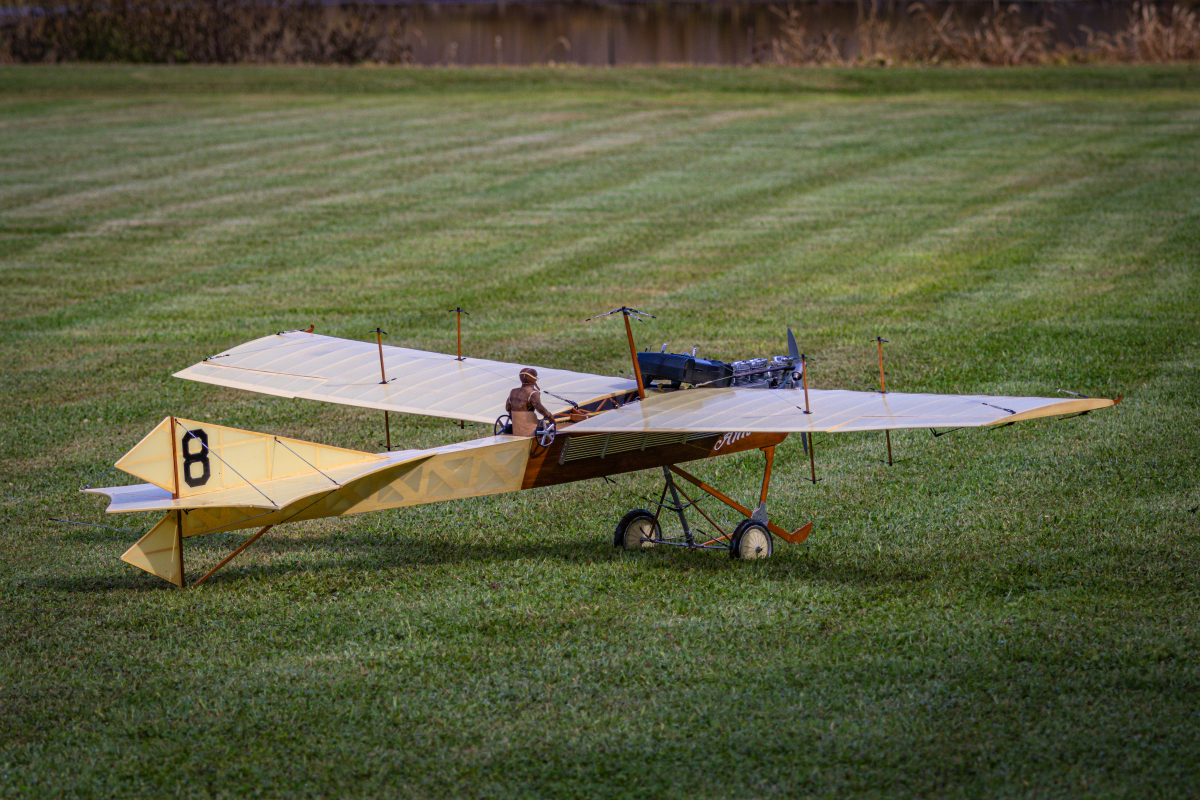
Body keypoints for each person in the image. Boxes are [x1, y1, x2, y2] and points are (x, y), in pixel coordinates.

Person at [506, 368, 553, 437]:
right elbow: (540, 409)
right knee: (551, 430)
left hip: (516, 428)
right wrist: (549, 416)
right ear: (533, 379)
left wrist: (514, 417)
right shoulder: (533, 393)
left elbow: (507, 407)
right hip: (528, 429)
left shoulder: (513, 391)